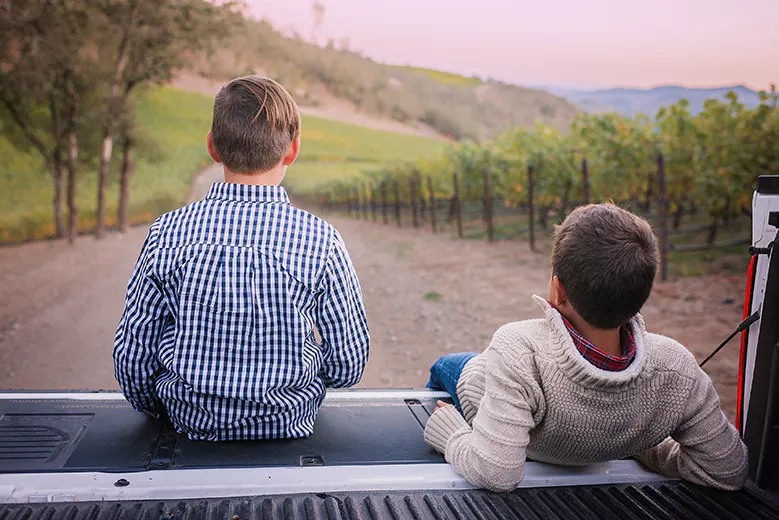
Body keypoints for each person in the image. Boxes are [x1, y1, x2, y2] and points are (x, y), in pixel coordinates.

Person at [114, 76, 370, 441]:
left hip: (187, 426)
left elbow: (132, 357)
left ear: (212, 147)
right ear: (292, 151)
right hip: (288, 427)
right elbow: (348, 364)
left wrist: (156, 408)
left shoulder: (166, 232)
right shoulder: (321, 241)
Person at [424, 203, 748, 492]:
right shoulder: (676, 366)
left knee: (445, 367)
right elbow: (728, 470)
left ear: (556, 290)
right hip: (533, 401)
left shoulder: (518, 347)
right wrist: (643, 444)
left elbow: (495, 473)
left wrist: (452, 434)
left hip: (482, 384)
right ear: (641, 293)